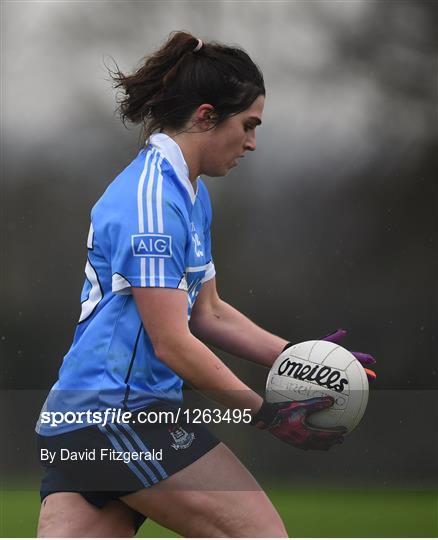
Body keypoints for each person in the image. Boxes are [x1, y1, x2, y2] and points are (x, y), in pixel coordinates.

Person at [35, 31, 376, 538]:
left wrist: (298, 357)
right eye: (248, 125)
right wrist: (265, 413)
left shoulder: (187, 192)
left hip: (91, 420)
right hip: (118, 419)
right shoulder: (151, 202)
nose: (253, 142)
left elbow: (207, 313)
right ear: (205, 115)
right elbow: (172, 343)